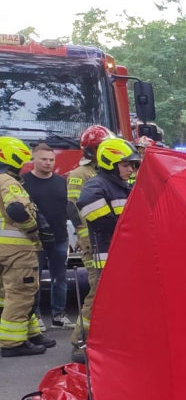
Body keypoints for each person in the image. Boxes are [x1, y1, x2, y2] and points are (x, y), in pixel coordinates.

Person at [72, 138, 139, 364]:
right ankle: (81, 344)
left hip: (122, 255)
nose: (131, 169)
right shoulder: (97, 185)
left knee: (119, 303)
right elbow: (92, 210)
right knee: (100, 302)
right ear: (111, 163)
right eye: (127, 164)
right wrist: (123, 226)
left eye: (133, 165)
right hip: (107, 256)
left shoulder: (122, 185)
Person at [0, 137, 55, 357]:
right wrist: (34, 230)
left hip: (5, 250)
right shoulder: (8, 182)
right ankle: (13, 343)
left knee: (9, 293)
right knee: (22, 292)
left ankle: (30, 333)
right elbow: (16, 209)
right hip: (18, 250)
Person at [21, 143, 72, 329]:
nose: (48, 163)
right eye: (43, 159)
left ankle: (59, 316)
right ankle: (36, 317)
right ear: (33, 159)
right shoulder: (23, 183)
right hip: (35, 240)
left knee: (60, 279)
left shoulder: (61, 182)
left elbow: (68, 209)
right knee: (34, 281)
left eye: (51, 160)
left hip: (60, 238)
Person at [68, 125, 108, 354]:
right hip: (91, 244)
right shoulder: (79, 175)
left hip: (100, 243)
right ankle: (80, 341)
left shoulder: (101, 172)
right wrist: (87, 240)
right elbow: (74, 211)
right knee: (97, 292)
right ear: (92, 151)